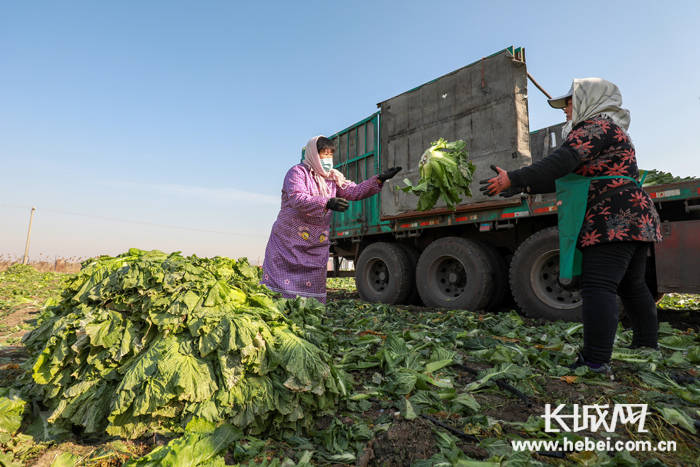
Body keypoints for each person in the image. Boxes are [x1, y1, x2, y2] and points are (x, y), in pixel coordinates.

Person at [480, 78, 662, 374]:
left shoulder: (595, 127)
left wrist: (514, 177)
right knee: (632, 285)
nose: (565, 109)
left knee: (598, 286)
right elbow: (564, 174)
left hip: (612, 215)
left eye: (569, 102)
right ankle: (646, 346)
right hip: (634, 214)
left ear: (590, 99)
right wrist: (520, 187)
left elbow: (561, 161)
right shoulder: (611, 129)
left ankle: (595, 361)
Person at [261, 135, 401, 303]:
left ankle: (309, 313)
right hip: (289, 241)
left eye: (330, 155)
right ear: (313, 154)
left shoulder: (333, 177)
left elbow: (354, 191)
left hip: (315, 243)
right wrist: (327, 202)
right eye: (323, 154)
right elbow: (297, 198)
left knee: (311, 291)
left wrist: (379, 179)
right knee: (281, 291)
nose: (327, 159)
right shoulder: (298, 172)